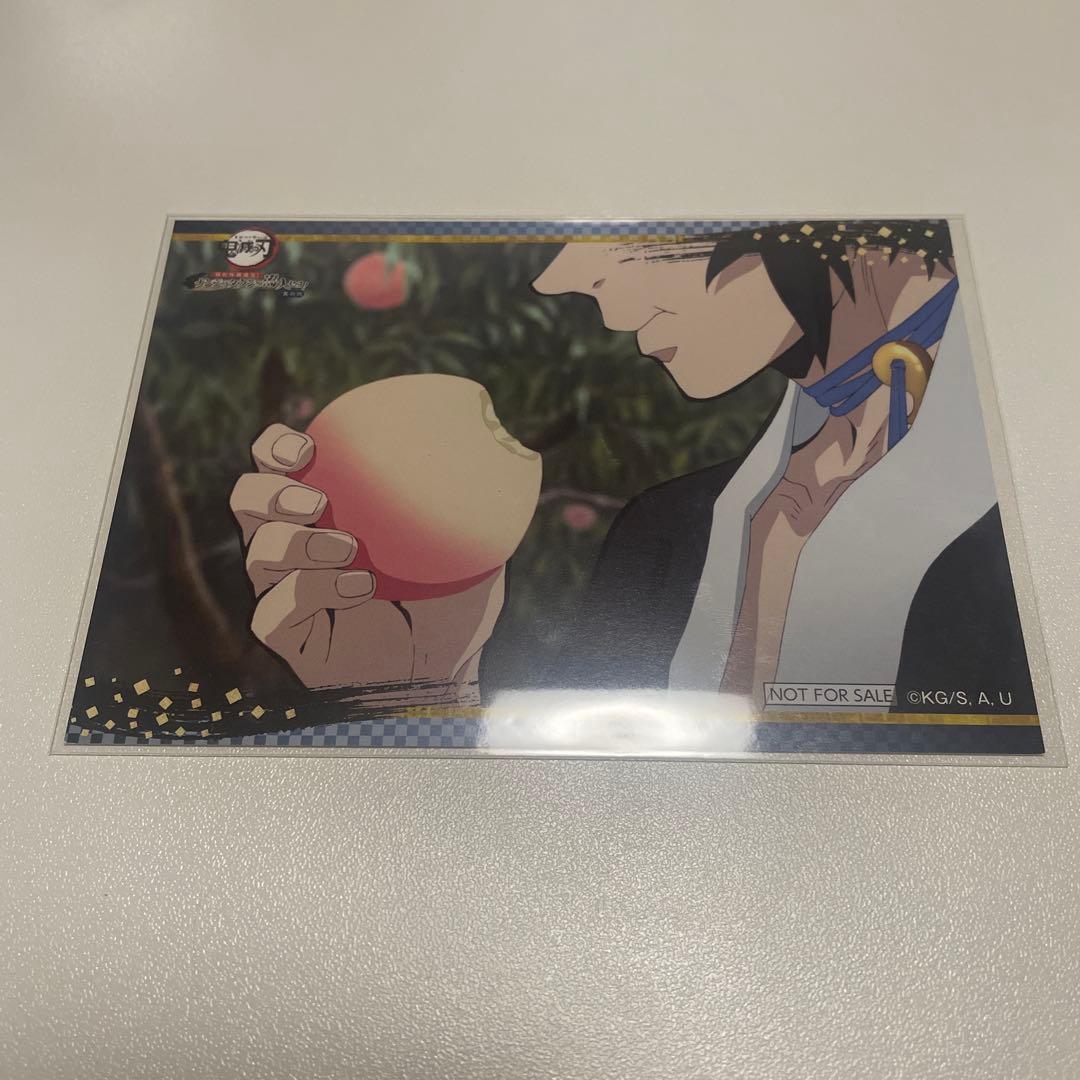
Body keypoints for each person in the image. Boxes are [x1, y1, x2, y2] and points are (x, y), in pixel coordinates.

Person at [228, 221, 1036, 716]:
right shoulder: (666, 529)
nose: (561, 277)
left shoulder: (1031, 513)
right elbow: (583, 843)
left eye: (628, 236)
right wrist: (418, 687)